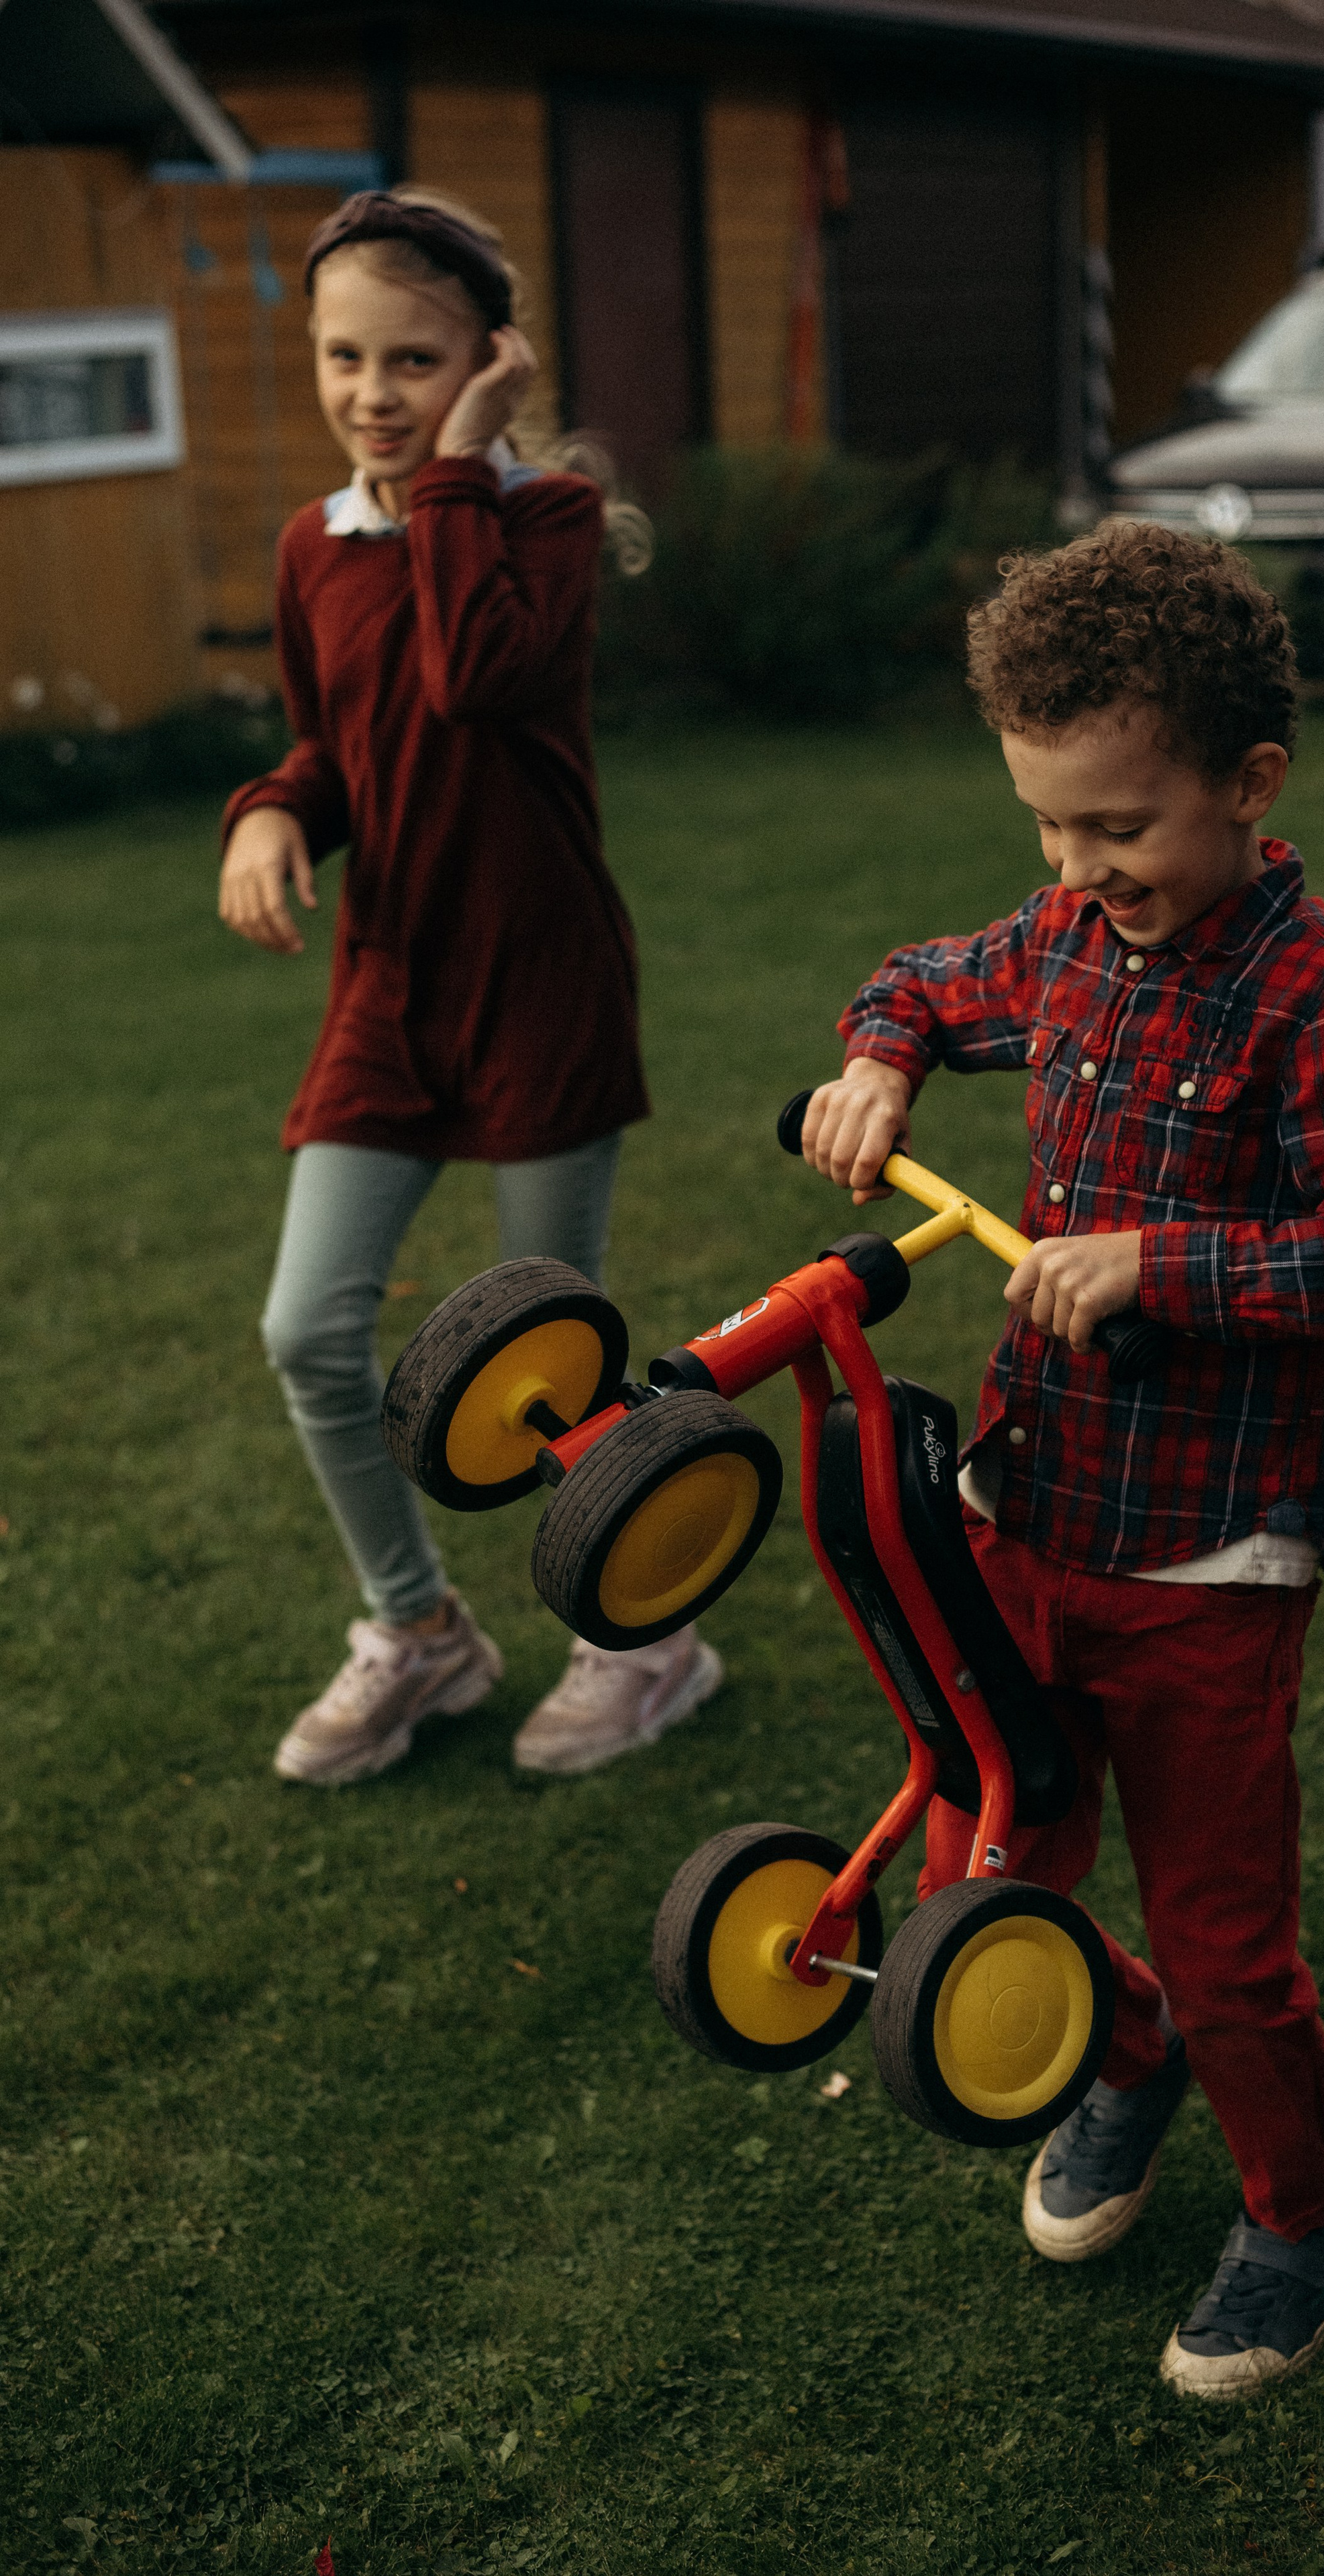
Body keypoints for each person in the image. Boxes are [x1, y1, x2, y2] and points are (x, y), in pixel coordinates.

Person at [801, 520, 1324, 2398]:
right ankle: (1126, 2050)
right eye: (1047, 830)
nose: (1079, 874)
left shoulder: (1314, 993)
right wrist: (880, 1062)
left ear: (1249, 787)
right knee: (994, 1861)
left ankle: (1304, 2205)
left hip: (1207, 1562)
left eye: (1118, 828)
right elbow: (922, 980)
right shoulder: (1075, 941)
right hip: (1037, 1507)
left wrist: (1175, 1265)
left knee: (1229, 1933)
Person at [219, 187, 719, 1787]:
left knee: (548, 1362)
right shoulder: (313, 546)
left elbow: (473, 675)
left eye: (416, 360)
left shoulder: (542, 522)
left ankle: (644, 1645)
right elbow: (337, 744)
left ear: (490, 365)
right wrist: (279, 813)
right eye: (344, 357)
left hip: (541, 986)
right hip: (391, 990)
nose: (373, 392)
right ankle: (419, 1633)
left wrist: (459, 471)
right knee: (308, 1327)